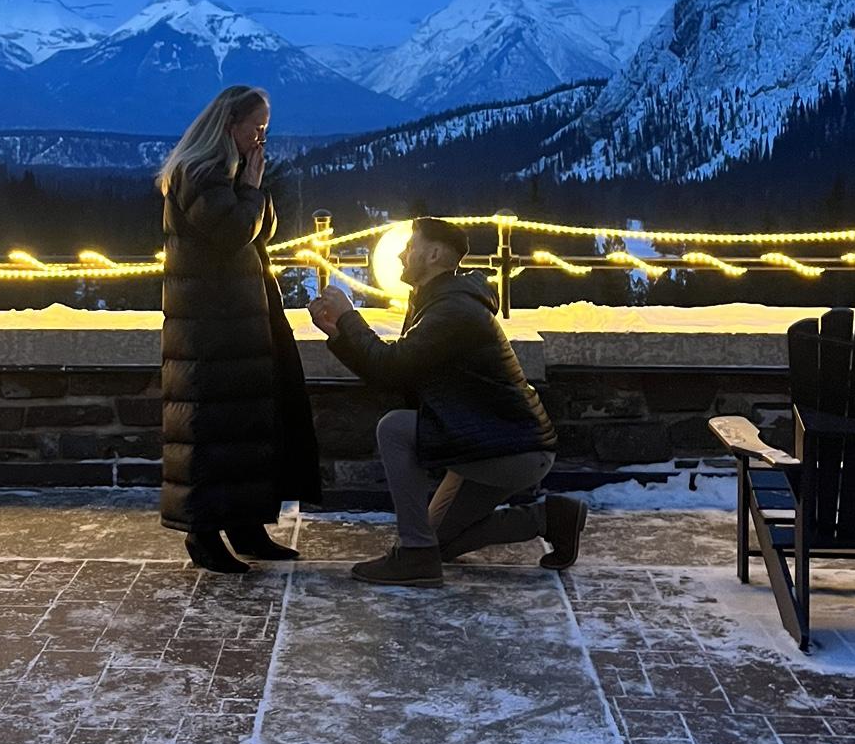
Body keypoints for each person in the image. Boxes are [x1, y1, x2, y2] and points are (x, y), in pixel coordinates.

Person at [308, 216, 588, 588]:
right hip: (486, 440)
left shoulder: (453, 310)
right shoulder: (439, 303)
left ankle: (413, 554)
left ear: (435, 254)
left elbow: (391, 368)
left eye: (411, 246)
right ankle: (551, 519)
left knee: (394, 429)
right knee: (439, 542)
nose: (401, 255)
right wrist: (340, 335)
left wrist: (349, 318)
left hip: (508, 448)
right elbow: (398, 377)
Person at [157, 84, 321, 573]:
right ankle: (203, 533)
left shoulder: (226, 172)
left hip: (239, 320)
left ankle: (246, 525)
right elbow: (232, 232)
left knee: (247, 428)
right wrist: (250, 187)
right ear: (230, 126)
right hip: (211, 326)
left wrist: (251, 185)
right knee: (212, 430)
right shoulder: (200, 173)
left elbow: (259, 231)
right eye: (257, 127)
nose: (262, 137)